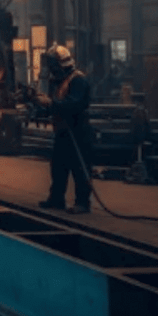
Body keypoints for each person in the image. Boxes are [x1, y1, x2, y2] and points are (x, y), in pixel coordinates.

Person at [36, 44, 93, 214]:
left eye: (53, 66)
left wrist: (50, 103)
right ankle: (56, 199)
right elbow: (56, 106)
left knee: (80, 169)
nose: (51, 71)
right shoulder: (60, 81)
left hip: (78, 132)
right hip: (63, 132)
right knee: (58, 167)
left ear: (60, 64)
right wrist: (39, 104)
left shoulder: (78, 80)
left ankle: (83, 203)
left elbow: (74, 104)